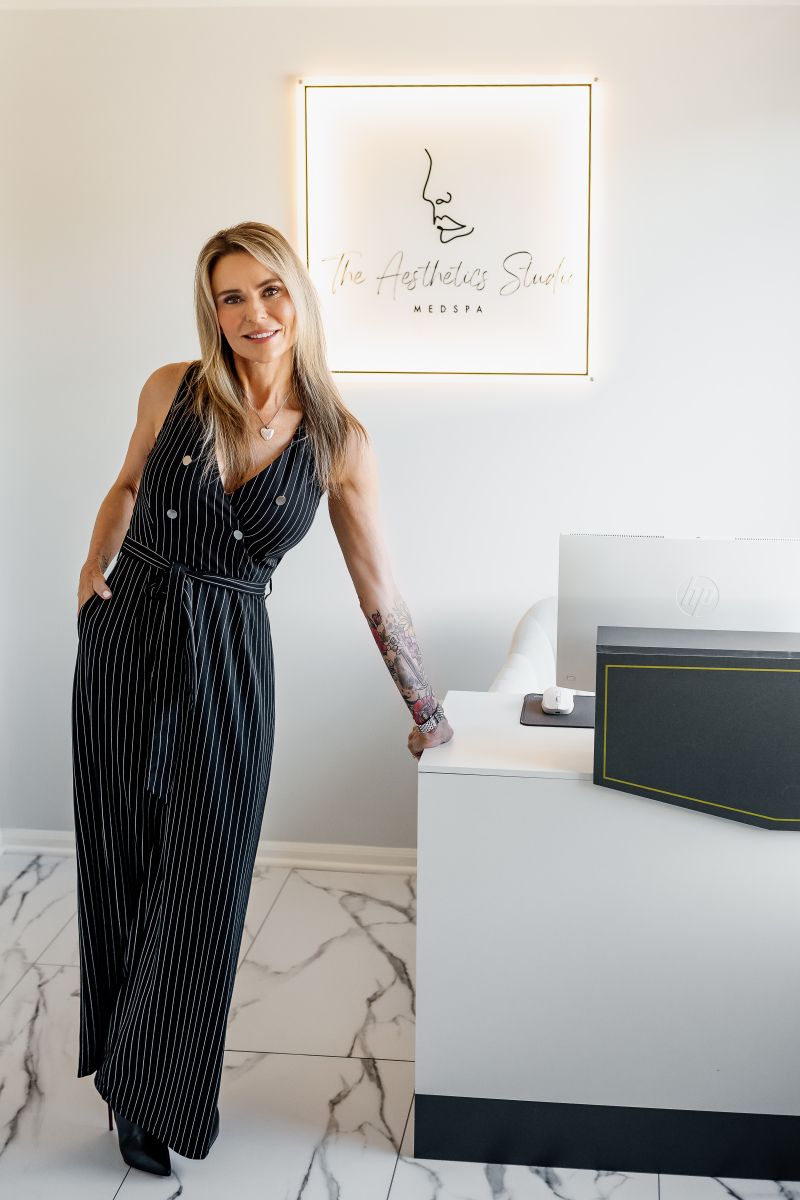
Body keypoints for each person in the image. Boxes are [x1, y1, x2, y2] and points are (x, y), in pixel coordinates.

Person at [71, 220, 453, 1176]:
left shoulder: (338, 441)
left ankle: (154, 1090)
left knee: (207, 875)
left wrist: (425, 707)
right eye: (231, 297)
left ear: (299, 298)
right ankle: (123, 1073)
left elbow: (378, 587)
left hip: (231, 662)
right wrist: (91, 565)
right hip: (127, 638)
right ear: (213, 311)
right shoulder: (172, 389)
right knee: (122, 856)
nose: (253, 313)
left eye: (269, 290)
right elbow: (125, 485)